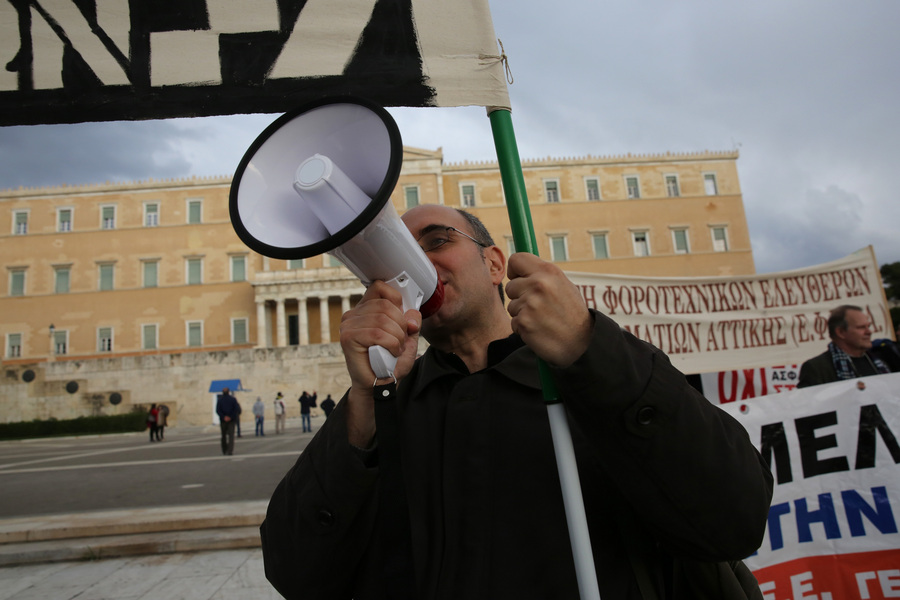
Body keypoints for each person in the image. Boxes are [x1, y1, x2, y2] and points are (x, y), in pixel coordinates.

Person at [261, 206, 773, 599]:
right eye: (392, 259)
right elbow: (297, 573)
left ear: (495, 262)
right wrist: (366, 402)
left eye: (437, 241)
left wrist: (588, 348)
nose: (415, 266)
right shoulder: (382, 411)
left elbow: (735, 518)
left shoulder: (598, 370)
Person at [798, 305, 893, 388]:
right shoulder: (816, 368)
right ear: (840, 332)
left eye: (868, 326)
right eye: (861, 327)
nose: (869, 332)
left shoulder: (881, 360)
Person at [216, 387, 239, 456]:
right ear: (229, 392)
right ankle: (230, 450)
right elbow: (236, 409)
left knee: (223, 436)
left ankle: (224, 450)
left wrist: (224, 417)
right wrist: (230, 417)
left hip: (223, 420)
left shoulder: (220, 400)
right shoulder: (233, 399)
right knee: (231, 436)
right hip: (231, 420)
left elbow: (218, 410)